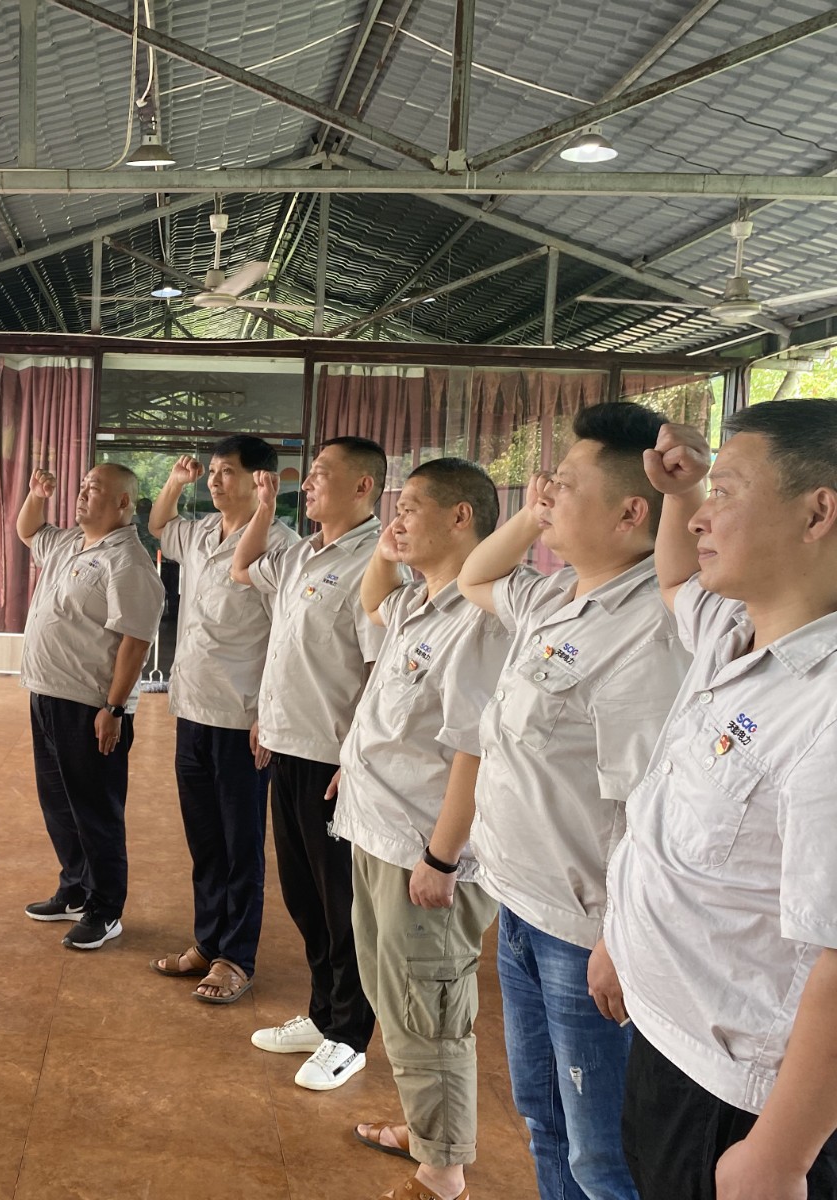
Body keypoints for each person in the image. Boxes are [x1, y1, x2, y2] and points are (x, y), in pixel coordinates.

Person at [597, 401, 837, 1199]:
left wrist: (781, 1155)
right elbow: (673, 579)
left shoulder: (826, 706)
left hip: (741, 1100)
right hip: (671, 1042)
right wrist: (622, 938)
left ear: (817, 513)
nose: (702, 515)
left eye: (725, 492)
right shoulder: (736, 629)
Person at [456, 401, 692, 1200]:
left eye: (566, 484)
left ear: (632, 514)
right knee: (543, 1117)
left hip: (586, 930)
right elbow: (475, 577)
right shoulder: (558, 596)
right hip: (524, 903)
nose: (548, 492)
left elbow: (645, 804)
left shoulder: (648, 630)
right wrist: (533, 516)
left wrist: (618, 936)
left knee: (603, 1154)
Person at [334, 459, 511, 1200]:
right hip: (381, 830)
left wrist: (442, 857)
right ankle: (426, 1127)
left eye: (410, 508)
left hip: (424, 849)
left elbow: (476, 750)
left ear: (461, 517)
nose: (395, 520)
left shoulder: (481, 620)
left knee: (429, 1008)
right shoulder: (421, 602)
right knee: (395, 996)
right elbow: (371, 601)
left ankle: (442, 1171)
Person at [235, 436, 390, 1091]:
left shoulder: (377, 560)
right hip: (290, 746)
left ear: (363, 486)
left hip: (333, 759)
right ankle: (323, 1014)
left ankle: (349, 1036)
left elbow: (380, 670)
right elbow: (243, 567)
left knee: (341, 903)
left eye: (323, 473)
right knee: (303, 897)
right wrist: (265, 510)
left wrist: (356, 756)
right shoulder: (303, 552)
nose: (310, 483)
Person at [147, 435, 299, 1003]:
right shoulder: (200, 531)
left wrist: (268, 713)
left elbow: (284, 636)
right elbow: (159, 524)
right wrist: (175, 481)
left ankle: (236, 957)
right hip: (192, 707)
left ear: (259, 480)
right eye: (211, 470)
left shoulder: (280, 546)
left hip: (240, 716)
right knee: (205, 840)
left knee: (240, 846)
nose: (214, 480)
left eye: (227, 471)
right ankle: (207, 942)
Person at [16, 463, 165, 951]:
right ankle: (76, 889)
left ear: (123, 502)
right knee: (59, 805)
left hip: (89, 706)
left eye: (94, 488)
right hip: (47, 695)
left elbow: (135, 641)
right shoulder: (68, 543)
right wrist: (37, 495)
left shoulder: (129, 562)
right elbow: (28, 531)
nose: (82, 493)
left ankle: (105, 909)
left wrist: (114, 709)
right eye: (81, 486)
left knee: (95, 810)